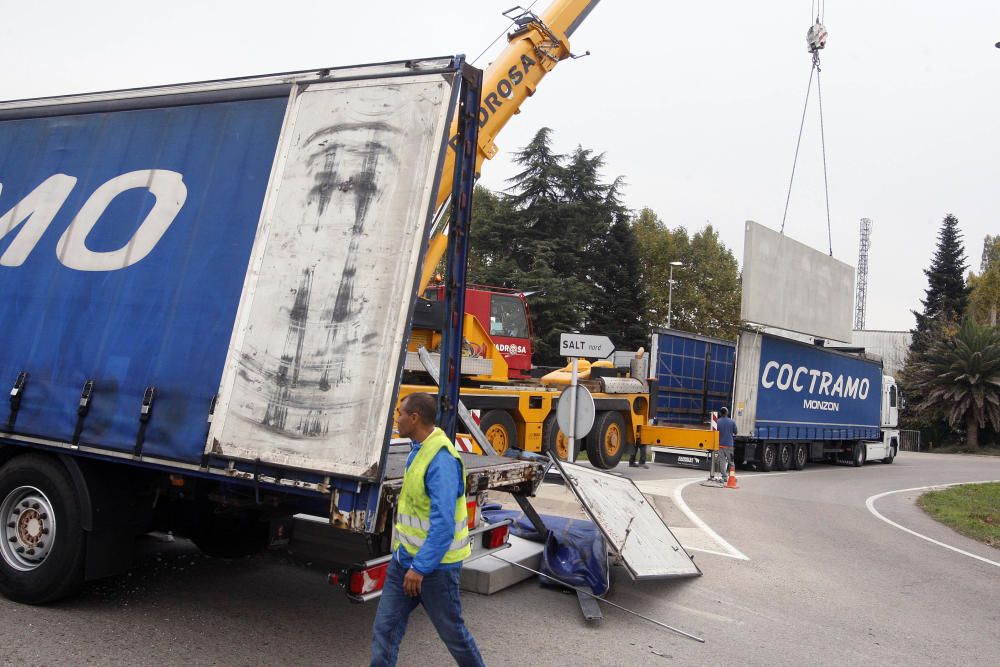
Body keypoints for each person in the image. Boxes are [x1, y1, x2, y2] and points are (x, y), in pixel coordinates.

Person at [370, 392, 485, 667]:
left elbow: (444, 526)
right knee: (385, 630)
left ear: (414, 417)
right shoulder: (419, 449)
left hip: (436, 570)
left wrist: (420, 568)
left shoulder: (441, 459)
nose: (396, 419)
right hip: (405, 561)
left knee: (453, 635)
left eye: (400, 413)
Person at [716, 407, 738, 482]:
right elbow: (736, 432)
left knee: (722, 462)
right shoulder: (732, 422)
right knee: (731, 462)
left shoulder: (717, 422)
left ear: (720, 413)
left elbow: (715, 432)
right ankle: (732, 477)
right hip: (729, 446)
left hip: (720, 445)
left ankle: (724, 477)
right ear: (727, 413)